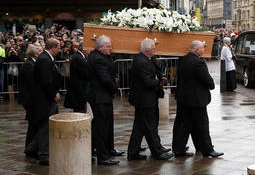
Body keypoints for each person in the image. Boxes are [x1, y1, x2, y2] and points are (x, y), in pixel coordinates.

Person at [173, 40, 224, 158]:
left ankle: (179, 149)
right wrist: (211, 85)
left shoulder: (183, 60)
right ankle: (208, 150)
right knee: (202, 125)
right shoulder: (198, 62)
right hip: (196, 100)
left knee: (184, 125)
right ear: (196, 50)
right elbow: (208, 81)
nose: (204, 50)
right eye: (202, 48)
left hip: (183, 98)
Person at [127, 38, 173, 160]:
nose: (155, 49)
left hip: (146, 98)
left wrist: (160, 78)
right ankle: (157, 152)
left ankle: (133, 152)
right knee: (150, 126)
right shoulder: (142, 62)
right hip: (144, 99)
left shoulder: (147, 59)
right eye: (153, 48)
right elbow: (147, 82)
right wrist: (159, 82)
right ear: (147, 50)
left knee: (139, 127)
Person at [87, 35, 123, 165]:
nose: (111, 48)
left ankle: (108, 149)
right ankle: (103, 157)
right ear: (100, 47)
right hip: (99, 97)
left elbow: (110, 72)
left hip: (104, 96)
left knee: (107, 125)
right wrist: (115, 88)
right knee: (101, 127)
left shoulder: (102, 55)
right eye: (108, 46)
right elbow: (104, 78)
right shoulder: (97, 58)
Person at [28, 38, 62, 165]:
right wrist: (54, 94)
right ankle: (44, 155)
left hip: (47, 98)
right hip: (44, 100)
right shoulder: (44, 60)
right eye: (59, 47)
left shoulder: (46, 58)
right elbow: (46, 81)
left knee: (48, 125)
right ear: (53, 48)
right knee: (45, 127)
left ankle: (31, 149)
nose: (60, 50)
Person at [19, 44, 42, 159]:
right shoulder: (29, 64)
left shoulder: (31, 63)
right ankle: (30, 148)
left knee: (33, 123)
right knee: (33, 123)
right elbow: (32, 82)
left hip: (31, 97)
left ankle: (31, 148)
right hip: (29, 98)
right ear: (35, 53)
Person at [64, 42, 89, 113]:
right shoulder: (79, 58)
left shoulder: (78, 56)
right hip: (79, 88)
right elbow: (84, 73)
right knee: (80, 110)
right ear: (84, 49)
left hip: (79, 87)